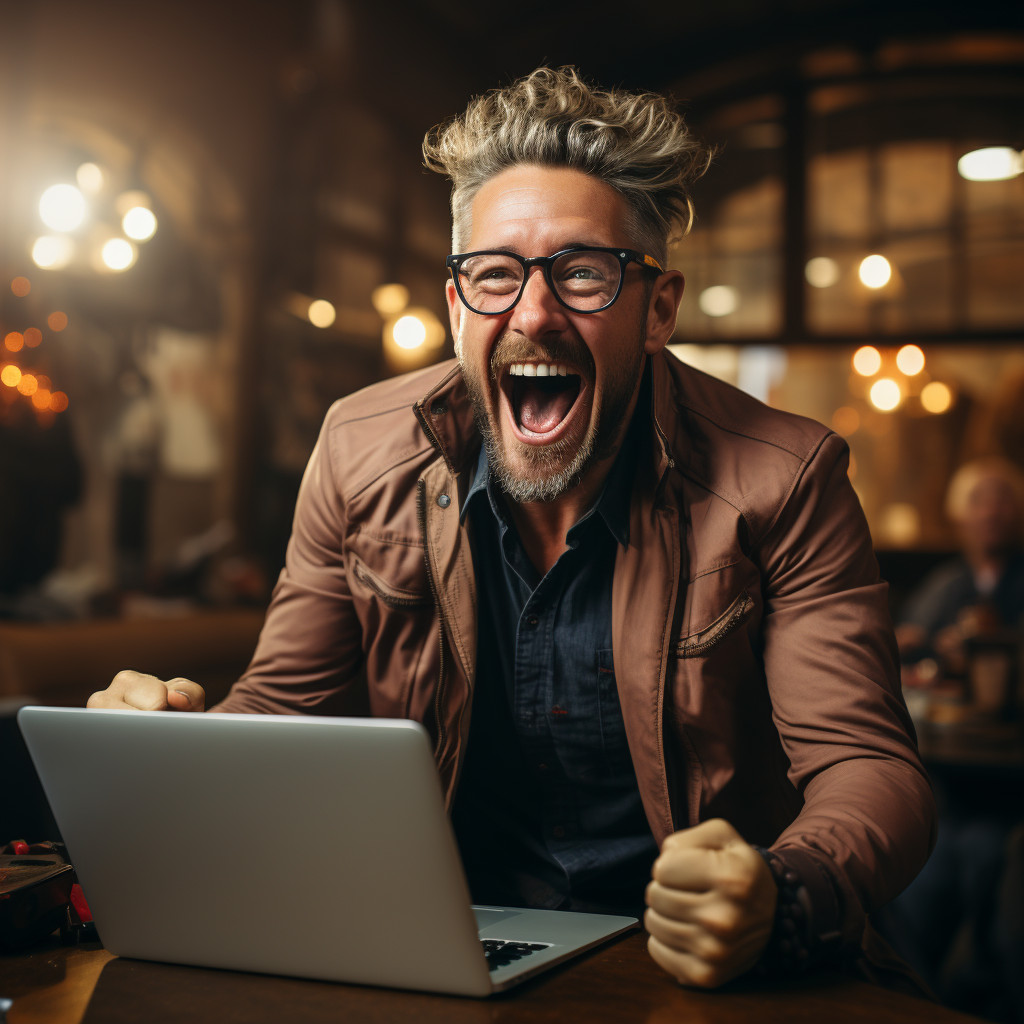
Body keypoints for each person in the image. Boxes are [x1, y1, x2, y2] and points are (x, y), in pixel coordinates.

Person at [88, 68, 935, 992]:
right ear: (456, 309)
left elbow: (870, 770)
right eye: (494, 276)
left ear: (658, 309)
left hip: (709, 974)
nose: (533, 315)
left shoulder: (787, 474)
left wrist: (779, 887)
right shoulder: (358, 447)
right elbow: (279, 715)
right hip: (439, 958)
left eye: (583, 273)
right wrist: (171, 747)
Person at [896, 457, 1024, 666]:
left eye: (1002, 500)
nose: (990, 513)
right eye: (978, 501)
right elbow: (905, 637)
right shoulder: (946, 582)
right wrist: (931, 645)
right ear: (958, 515)